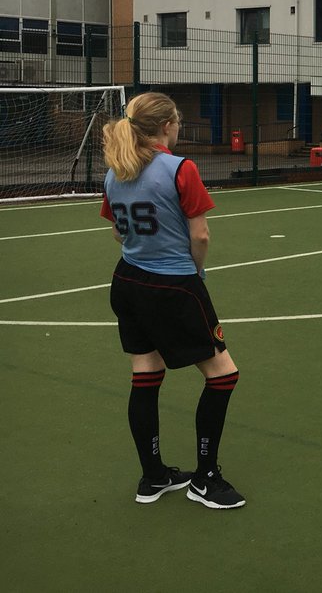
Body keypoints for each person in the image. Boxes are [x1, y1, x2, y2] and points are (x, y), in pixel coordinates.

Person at [100, 91, 246, 509]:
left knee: (145, 373)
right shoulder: (179, 168)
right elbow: (199, 235)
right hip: (173, 285)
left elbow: (116, 232)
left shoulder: (117, 169)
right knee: (223, 375)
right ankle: (206, 478)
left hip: (127, 281)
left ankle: (153, 476)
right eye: (178, 123)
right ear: (167, 126)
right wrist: (194, 271)